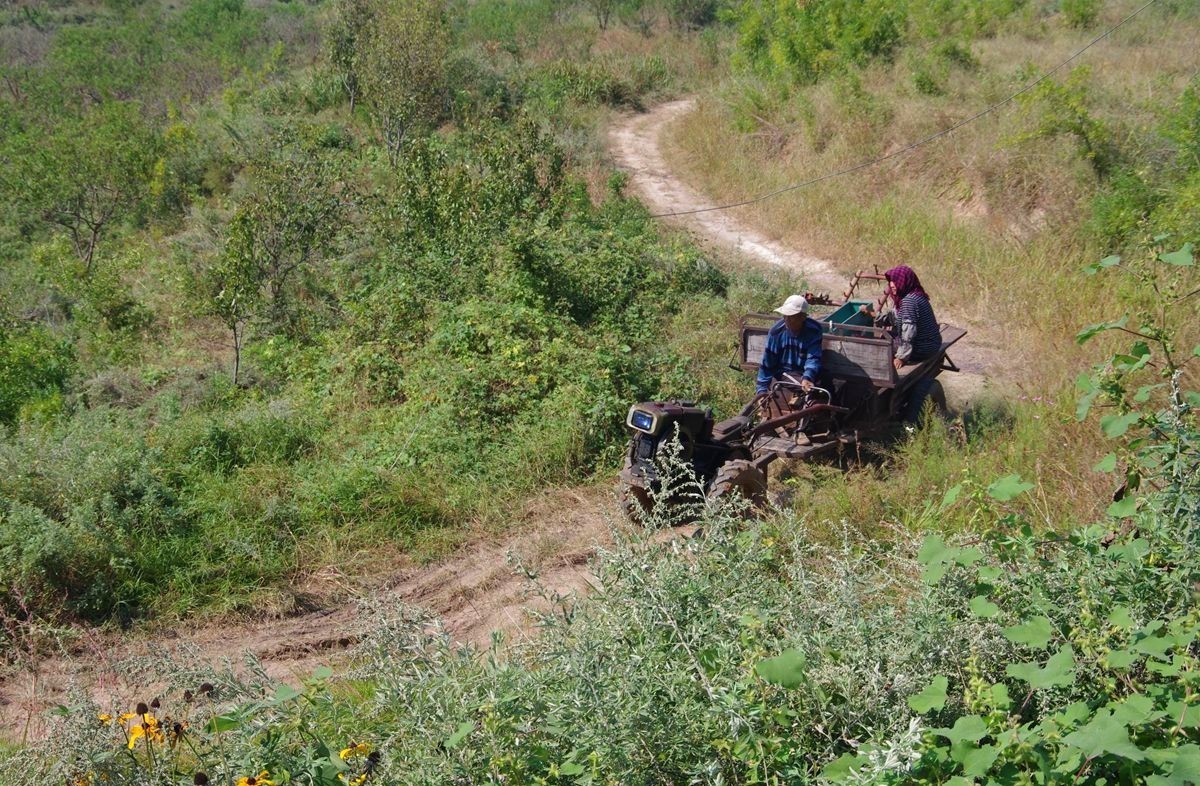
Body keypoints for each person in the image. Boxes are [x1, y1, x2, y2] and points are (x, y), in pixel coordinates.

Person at [881, 265, 943, 423]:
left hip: (922, 347)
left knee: (880, 344)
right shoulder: (914, 295)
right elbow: (899, 317)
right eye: (890, 281)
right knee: (887, 337)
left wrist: (902, 357)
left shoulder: (909, 301)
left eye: (895, 281)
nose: (891, 285)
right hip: (930, 342)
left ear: (904, 281)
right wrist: (878, 317)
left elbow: (908, 332)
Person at [756, 294, 823, 395]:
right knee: (809, 388)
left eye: (791, 316)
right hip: (785, 371)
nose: (786, 319)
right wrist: (761, 390)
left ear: (803, 317)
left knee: (828, 381)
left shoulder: (814, 330)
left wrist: (807, 376)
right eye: (785, 315)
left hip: (804, 370)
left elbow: (813, 358)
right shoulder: (776, 332)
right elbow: (767, 364)